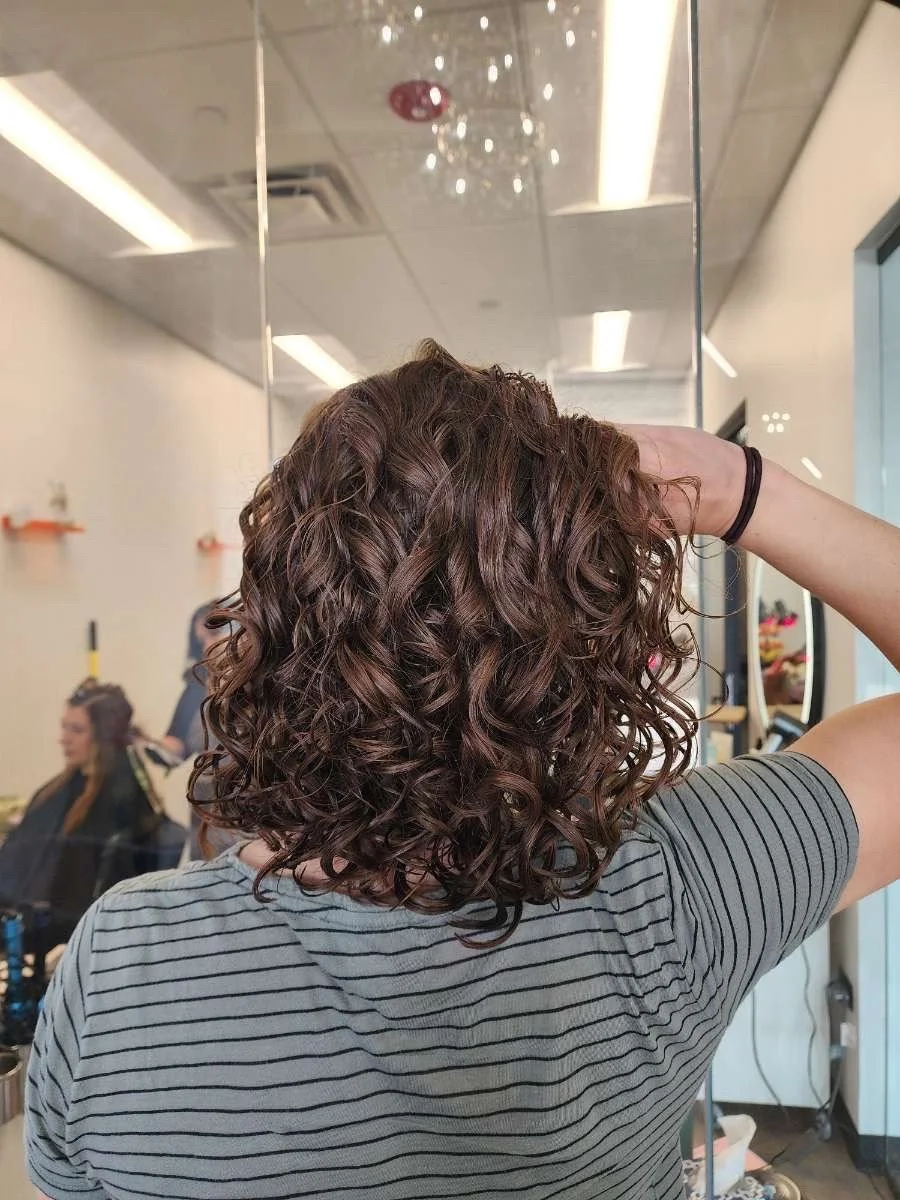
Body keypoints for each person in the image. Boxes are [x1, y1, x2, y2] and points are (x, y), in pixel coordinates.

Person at [24, 342, 900, 1200]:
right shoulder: (672, 884)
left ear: (277, 617)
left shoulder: (125, 963)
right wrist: (739, 489)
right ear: (579, 640)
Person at [0, 679, 161, 944]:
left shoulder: (117, 805)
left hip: (64, 935)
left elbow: (82, 898)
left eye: (76, 730)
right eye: (64, 726)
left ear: (102, 736)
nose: (63, 738)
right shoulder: (60, 790)